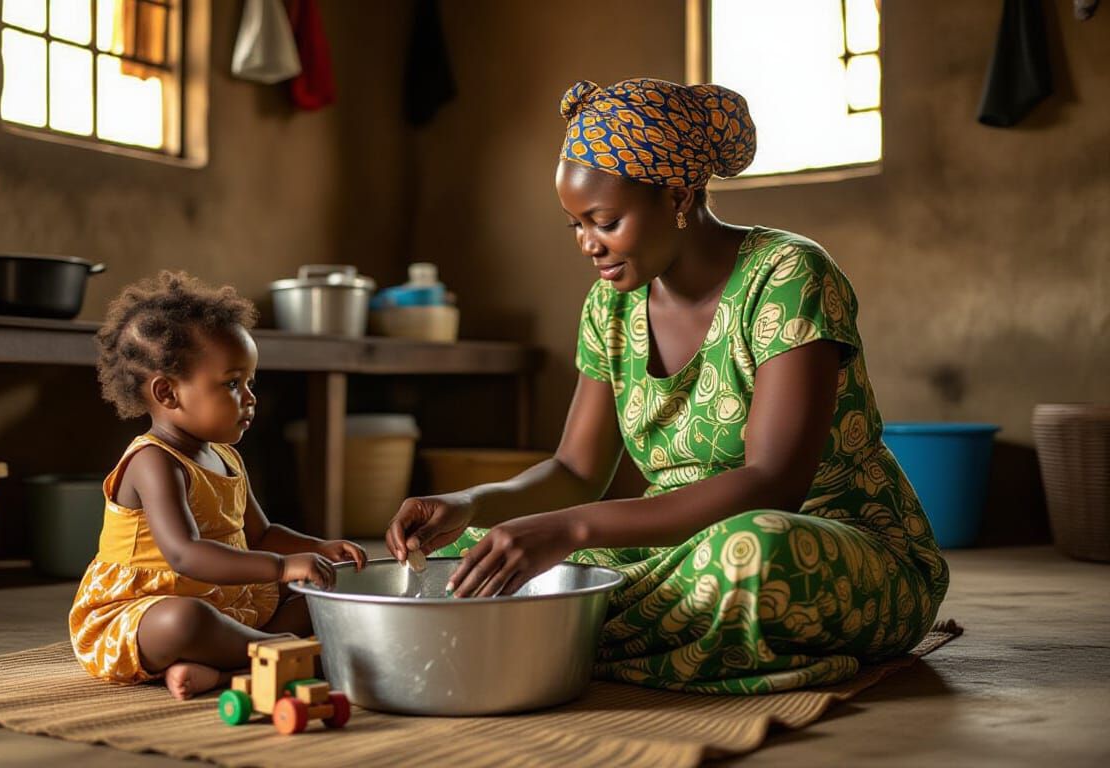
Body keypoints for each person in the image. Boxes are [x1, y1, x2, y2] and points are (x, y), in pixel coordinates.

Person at [386, 78, 948, 694]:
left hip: (822, 543)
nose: (587, 245)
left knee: (749, 553)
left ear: (679, 195)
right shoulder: (610, 307)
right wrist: (471, 503)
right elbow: (575, 469)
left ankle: (555, 638)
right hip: (673, 550)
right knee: (474, 551)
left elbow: (773, 484)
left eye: (604, 222)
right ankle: (594, 635)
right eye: (573, 225)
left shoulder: (788, 276)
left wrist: (570, 530)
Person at [71, 271, 367, 700]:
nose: (250, 398)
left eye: (250, 383)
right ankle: (282, 655)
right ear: (167, 393)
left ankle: (230, 669)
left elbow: (261, 535)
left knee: (322, 589)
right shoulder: (153, 461)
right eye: (232, 384)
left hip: (225, 598)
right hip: (146, 611)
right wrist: (282, 568)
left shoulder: (225, 455)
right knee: (186, 622)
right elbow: (184, 554)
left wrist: (318, 549)